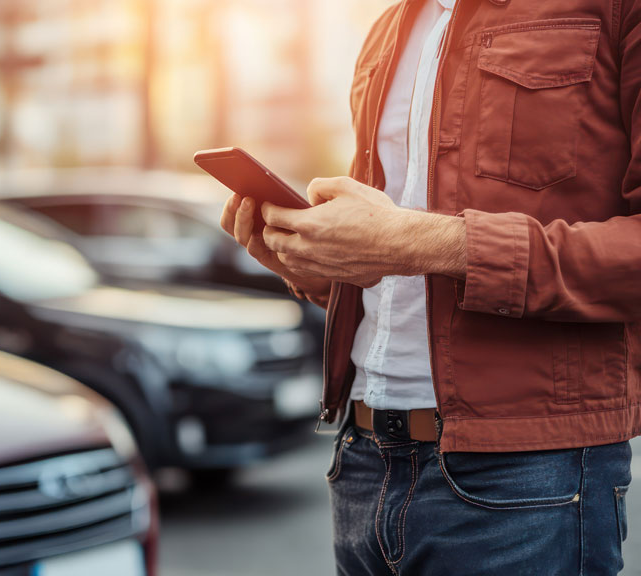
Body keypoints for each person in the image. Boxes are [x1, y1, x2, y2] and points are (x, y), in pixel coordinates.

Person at [221, 0, 639, 574]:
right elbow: (388, 273)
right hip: (362, 460)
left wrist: (420, 241)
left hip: (526, 476)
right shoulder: (387, 30)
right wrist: (315, 269)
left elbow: (405, 240)